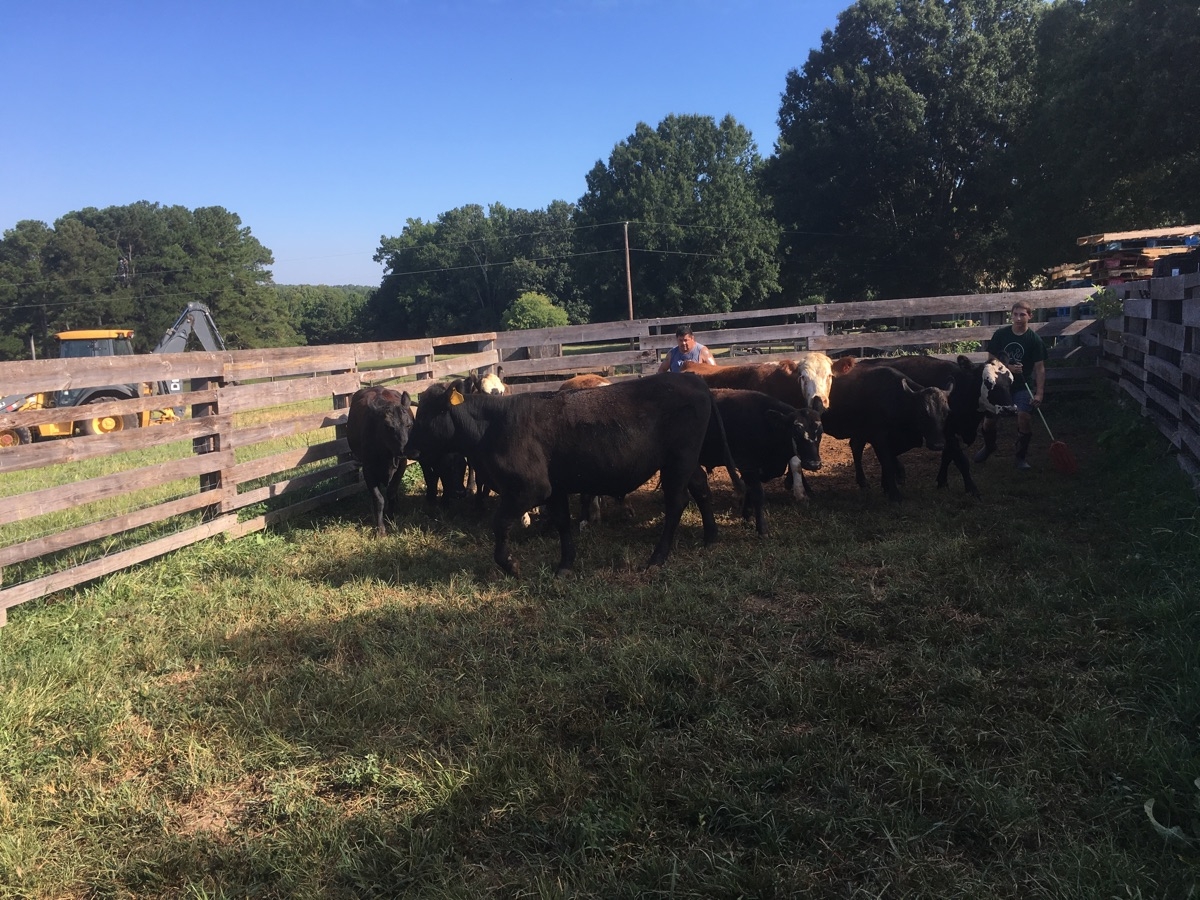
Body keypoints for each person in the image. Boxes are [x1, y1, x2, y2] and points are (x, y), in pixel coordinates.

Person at [974, 300, 1047, 470]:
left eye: (1022, 314)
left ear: (1030, 316)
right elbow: (991, 360)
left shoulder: (1034, 340)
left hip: (1022, 386)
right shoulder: (1001, 335)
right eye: (1015, 314)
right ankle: (989, 446)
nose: (1018, 318)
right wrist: (1008, 368)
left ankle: (1020, 457)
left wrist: (1039, 393)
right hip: (1000, 386)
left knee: (1024, 417)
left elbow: (1040, 368)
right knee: (989, 422)